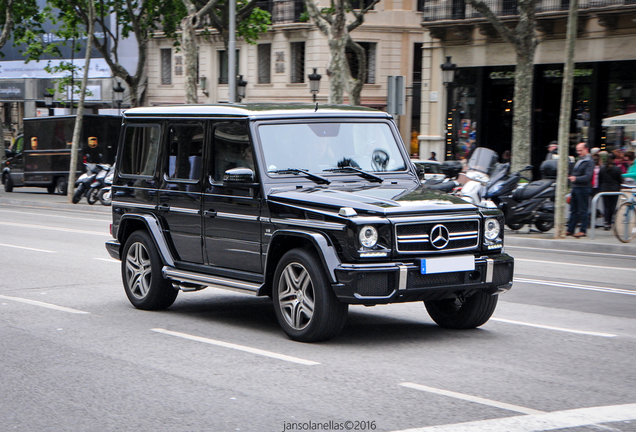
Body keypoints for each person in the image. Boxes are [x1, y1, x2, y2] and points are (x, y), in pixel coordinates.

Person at [567, 142, 595, 238]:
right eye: (577, 150)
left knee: (583, 210)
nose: (578, 152)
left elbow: (588, 176)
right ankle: (570, 229)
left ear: (586, 149)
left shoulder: (589, 161)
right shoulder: (580, 160)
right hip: (576, 187)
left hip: (583, 188)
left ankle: (583, 230)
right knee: (573, 209)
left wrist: (576, 178)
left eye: (580, 150)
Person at [599, 153, 623, 230]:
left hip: (605, 189)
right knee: (613, 206)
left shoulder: (602, 168)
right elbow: (620, 180)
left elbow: (600, 179)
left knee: (606, 206)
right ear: (614, 160)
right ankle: (611, 221)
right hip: (614, 189)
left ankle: (606, 222)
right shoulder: (617, 169)